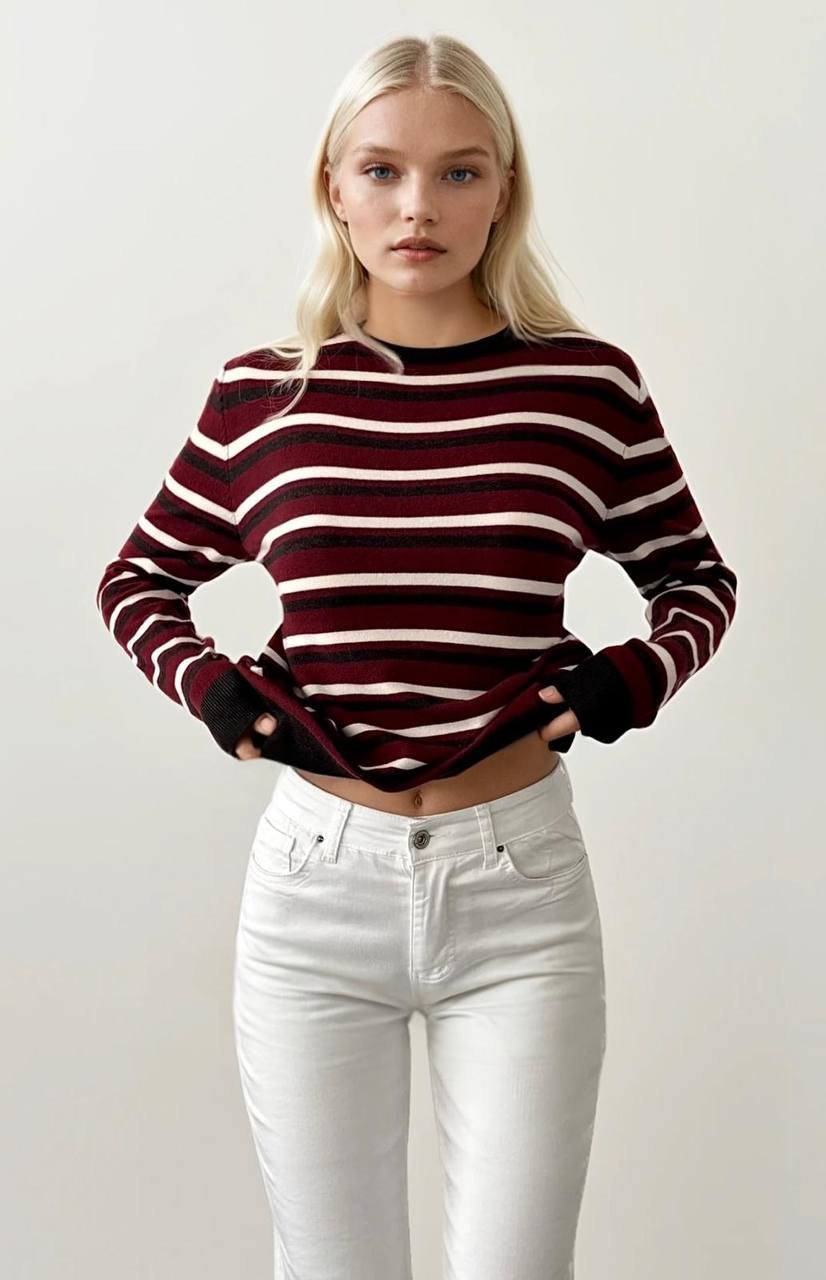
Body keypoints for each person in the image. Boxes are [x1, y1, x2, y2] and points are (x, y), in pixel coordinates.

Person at [95, 33, 738, 1280]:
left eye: (458, 172)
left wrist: (622, 680)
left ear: (503, 191)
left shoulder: (585, 388)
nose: (416, 207)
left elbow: (694, 581)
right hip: (314, 889)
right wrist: (215, 688)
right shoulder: (265, 395)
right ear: (333, 187)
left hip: (520, 887)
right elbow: (138, 581)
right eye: (381, 169)